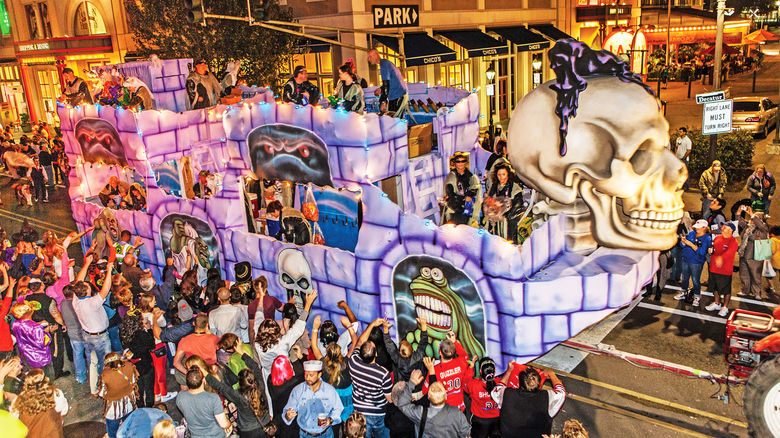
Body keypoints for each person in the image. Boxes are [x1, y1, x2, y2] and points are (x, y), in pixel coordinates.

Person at [200, 338, 274, 438]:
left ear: (240, 383)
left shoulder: (238, 395)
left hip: (248, 431)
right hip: (266, 425)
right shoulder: (260, 384)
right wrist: (241, 352)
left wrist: (205, 373)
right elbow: (255, 367)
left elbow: (220, 387)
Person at [493, 365, 566, 438]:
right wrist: (552, 374)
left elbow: (498, 389)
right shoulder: (548, 397)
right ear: (539, 383)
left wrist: (509, 371)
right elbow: (561, 392)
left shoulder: (507, 394)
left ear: (520, 383)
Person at [348, 320, 392, 438]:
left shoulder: (353, 362)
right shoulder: (383, 374)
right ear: (376, 354)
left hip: (360, 413)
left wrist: (372, 324)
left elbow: (359, 342)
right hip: (378, 413)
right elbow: (390, 398)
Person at [397, 369, 471, 438]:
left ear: (428, 397)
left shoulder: (420, 414)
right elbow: (466, 433)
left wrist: (412, 383)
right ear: (445, 396)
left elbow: (402, 404)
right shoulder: (457, 413)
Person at [282, 360, 344, 438]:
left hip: (325, 434)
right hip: (305, 435)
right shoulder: (298, 391)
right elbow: (286, 412)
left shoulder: (329, 390)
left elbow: (339, 408)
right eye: (306, 374)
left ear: (319, 375)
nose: (307, 378)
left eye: (311, 375)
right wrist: (288, 416)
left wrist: (330, 420)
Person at [9, 368, 69, 437]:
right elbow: (64, 410)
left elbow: (14, 420)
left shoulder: (18, 400)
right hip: (52, 432)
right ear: (45, 380)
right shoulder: (55, 393)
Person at [176, 367, 232, 437]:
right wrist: (229, 424)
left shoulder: (180, 397)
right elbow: (223, 424)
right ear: (204, 380)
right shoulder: (213, 398)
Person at [172, 313, 219, 388]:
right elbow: (220, 345)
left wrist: (188, 373)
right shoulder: (214, 339)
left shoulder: (185, 340)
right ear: (207, 325)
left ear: (194, 324)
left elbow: (176, 363)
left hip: (195, 373)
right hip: (211, 372)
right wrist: (210, 333)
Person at [98, 352, 139, 438]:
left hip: (114, 410)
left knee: (112, 432)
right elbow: (134, 381)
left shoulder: (105, 374)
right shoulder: (129, 365)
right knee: (128, 427)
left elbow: (102, 393)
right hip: (129, 404)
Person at [10, 301, 55, 378]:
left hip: (25, 355)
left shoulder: (15, 324)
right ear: (31, 311)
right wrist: (46, 332)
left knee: (32, 377)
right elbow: (42, 343)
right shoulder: (36, 328)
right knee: (46, 377)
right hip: (39, 358)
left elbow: (26, 330)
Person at [673, 219, 712, 307]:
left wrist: (690, 244)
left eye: (699, 228)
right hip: (686, 259)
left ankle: (697, 296)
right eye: (696, 227)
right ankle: (683, 291)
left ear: (704, 228)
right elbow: (682, 246)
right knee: (685, 278)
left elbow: (702, 252)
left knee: (695, 280)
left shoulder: (707, 238)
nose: (696, 229)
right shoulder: (691, 233)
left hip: (696, 262)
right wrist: (683, 242)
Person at [704, 222, 738, 317]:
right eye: (723, 226)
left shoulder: (733, 242)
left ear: (730, 230)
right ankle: (717, 303)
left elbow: (729, 253)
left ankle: (725, 307)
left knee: (726, 290)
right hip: (714, 268)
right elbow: (714, 248)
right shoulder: (717, 238)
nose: (722, 228)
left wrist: (720, 258)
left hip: (725, 270)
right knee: (715, 287)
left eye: (725, 227)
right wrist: (711, 250)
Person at [485, 163, 524, 243]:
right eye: (499, 175)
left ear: (508, 174)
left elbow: (518, 203)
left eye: (503, 174)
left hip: (509, 221)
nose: (501, 177)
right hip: (496, 221)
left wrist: (507, 213)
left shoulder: (514, 187)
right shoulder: (494, 186)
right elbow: (489, 201)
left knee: (509, 242)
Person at [268, 353, 304, 438]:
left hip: (279, 416)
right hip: (292, 416)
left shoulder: (270, 380)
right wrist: (297, 359)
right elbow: (303, 374)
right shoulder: (295, 382)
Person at [383, 316, 427, 383]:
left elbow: (389, 344)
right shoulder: (417, 357)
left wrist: (385, 328)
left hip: (403, 388)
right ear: (412, 350)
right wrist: (423, 325)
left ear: (399, 351)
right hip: (417, 387)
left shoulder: (397, 359)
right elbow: (423, 343)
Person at [738, 205, 769, 300]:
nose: (752, 220)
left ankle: (757, 293)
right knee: (744, 274)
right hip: (744, 254)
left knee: (756, 275)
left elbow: (760, 225)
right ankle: (745, 290)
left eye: (756, 218)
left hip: (756, 256)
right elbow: (740, 221)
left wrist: (752, 214)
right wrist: (739, 212)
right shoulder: (748, 227)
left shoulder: (763, 229)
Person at [465, 357, 501, 438]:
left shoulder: (474, 385)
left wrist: (471, 366)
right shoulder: (501, 384)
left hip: (479, 420)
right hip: (497, 420)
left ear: (480, 371)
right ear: (494, 371)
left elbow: (466, 382)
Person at [441, 153, 481, 226]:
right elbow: (449, 192)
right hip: (454, 208)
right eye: (458, 161)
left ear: (466, 162)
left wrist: (469, 196)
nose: (460, 163)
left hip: (468, 208)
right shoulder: (451, 176)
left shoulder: (471, 176)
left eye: (463, 161)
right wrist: (461, 199)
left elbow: (475, 188)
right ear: (455, 163)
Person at [367, 49, 408, 115]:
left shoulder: (383, 64)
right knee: (393, 119)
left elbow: (386, 84)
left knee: (394, 121)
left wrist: (383, 101)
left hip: (398, 96)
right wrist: (381, 89)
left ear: (376, 55)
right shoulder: (386, 63)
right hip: (398, 95)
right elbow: (389, 82)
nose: (369, 59)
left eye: (370, 57)